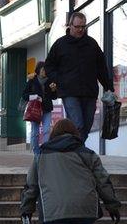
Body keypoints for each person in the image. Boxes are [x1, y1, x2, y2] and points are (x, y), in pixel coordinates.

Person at [44, 12, 115, 141]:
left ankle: (72, 150)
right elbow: (49, 66)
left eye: (83, 26)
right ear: (70, 26)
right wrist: (59, 80)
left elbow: (101, 68)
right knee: (78, 125)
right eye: (77, 27)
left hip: (89, 92)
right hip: (69, 92)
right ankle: (77, 154)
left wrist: (108, 87)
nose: (81, 29)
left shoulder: (92, 44)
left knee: (87, 126)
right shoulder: (60, 44)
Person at [21, 62, 55, 154]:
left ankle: (45, 151)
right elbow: (24, 95)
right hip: (35, 109)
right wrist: (34, 96)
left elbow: (54, 96)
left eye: (46, 70)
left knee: (47, 130)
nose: (45, 71)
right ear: (38, 70)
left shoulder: (50, 81)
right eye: (43, 69)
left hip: (47, 109)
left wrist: (53, 90)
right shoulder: (32, 81)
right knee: (35, 133)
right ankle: (36, 151)